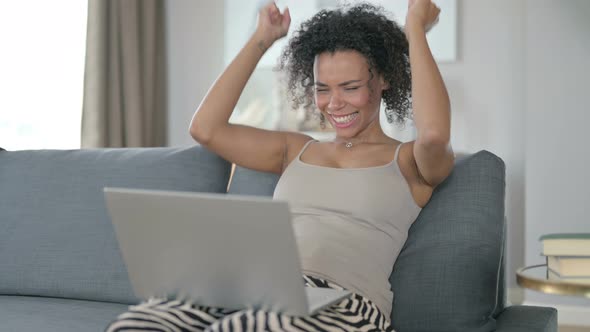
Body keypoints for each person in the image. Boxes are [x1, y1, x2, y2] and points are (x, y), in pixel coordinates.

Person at [106, 0, 453, 331]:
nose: (334, 103)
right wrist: (262, 39)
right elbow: (205, 129)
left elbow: (435, 134)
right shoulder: (294, 149)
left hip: (345, 304)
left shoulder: (409, 161)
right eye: (322, 89)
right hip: (256, 289)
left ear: (383, 80)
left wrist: (415, 30)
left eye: (350, 87)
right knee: (141, 321)